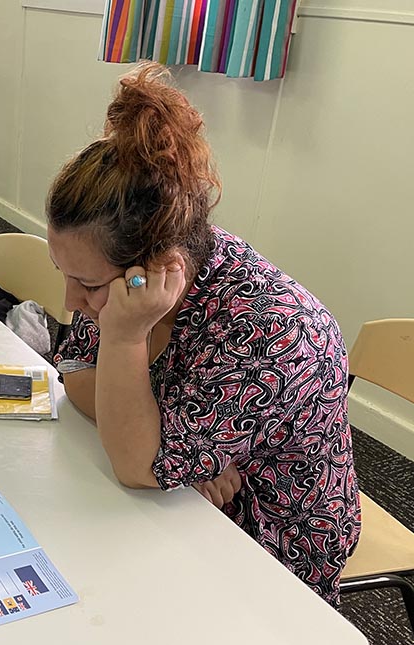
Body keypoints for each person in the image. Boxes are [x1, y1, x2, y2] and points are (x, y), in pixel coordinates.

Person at [47, 62, 360, 605]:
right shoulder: (125, 277)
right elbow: (74, 378)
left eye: (87, 284)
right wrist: (170, 448)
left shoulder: (274, 331)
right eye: (66, 276)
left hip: (267, 546)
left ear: (161, 264)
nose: (72, 302)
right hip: (182, 505)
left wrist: (124, 349)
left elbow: (137, 466)